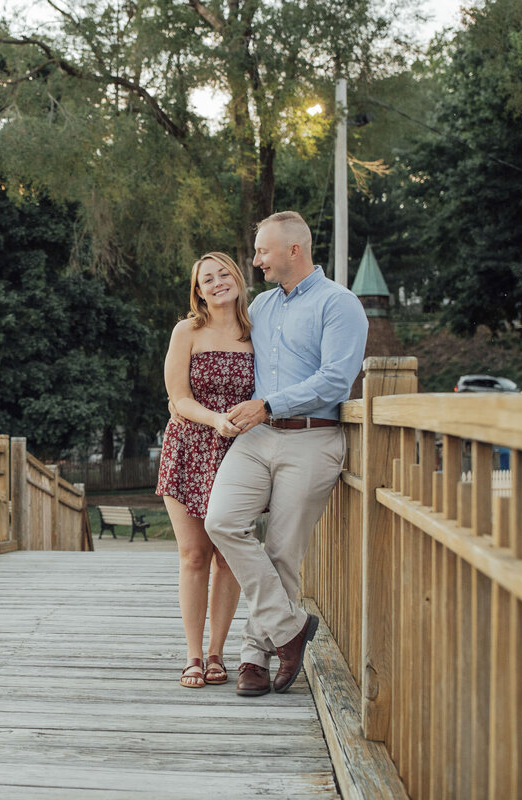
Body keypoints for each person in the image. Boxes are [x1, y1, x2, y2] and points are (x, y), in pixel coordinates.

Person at [204, 211, 368, 697]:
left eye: (262, 252)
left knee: (281, 552)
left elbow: (338, 379)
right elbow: (218, 338)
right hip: (256, 438)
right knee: (222, 521)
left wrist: (271, 403)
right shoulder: (262, 306)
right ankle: (291, 629)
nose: (255, 261)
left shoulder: (341, 305)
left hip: (314, 438)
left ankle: (254, 656)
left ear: (294, 250)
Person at [156, 251, 255, 689]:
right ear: (198, 291)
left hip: (241, 455)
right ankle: (193, 656)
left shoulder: (257, 332)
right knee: (194, 555)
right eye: (207, 279)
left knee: (228, 557)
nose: (217, 283)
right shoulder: (187, 331)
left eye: (224, 274)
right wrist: (216, 420)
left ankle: (218, 652)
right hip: (190, 448)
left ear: (238, 277)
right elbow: (178, 398)